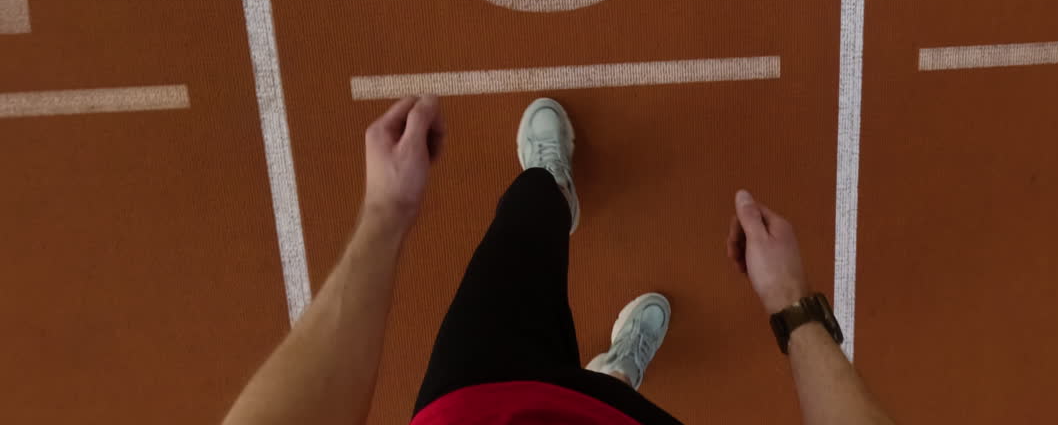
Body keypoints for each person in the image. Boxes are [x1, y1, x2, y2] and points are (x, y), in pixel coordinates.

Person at [220, 95, 895, 425]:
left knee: (522, 225)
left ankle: (550, 192)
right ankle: (611, 383)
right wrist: (793, 306)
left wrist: (385, 219)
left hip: (475, 400)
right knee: (605, 398)